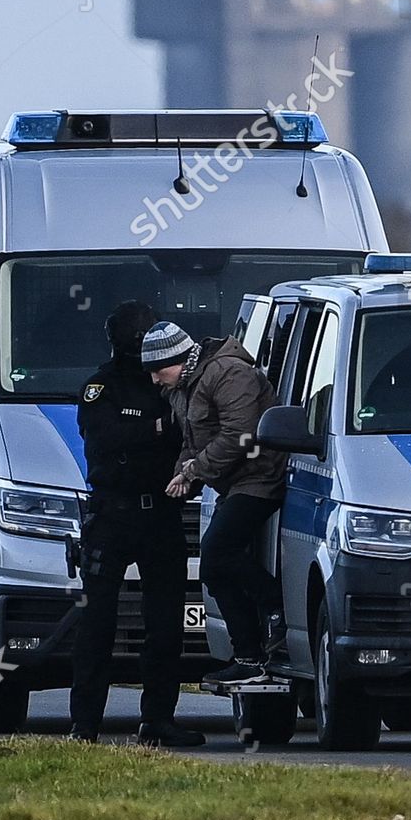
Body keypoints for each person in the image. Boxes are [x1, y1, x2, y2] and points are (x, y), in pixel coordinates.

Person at [68, 301, 204, 748]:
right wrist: (158, 430)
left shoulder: (172, 380)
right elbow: (106, 439)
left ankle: (158, 720)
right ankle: (85, 723)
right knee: (96, 624)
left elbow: (194, 429)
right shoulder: (100, 386)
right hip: (113, 512)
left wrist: (154, 432)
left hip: (162, 513)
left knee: (165, 625)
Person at [141, 320, 288, 685]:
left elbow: (240, 435)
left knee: (218, 552)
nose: (156, 381)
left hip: (260, 476)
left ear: (181, 358)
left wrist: (194, 471)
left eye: (160, 371)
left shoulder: (228, 373)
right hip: (232, 482)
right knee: (213, 569)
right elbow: (192, 441)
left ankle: (274, 606)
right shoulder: (182, 386)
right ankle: (249, 656)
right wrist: (182, 475)